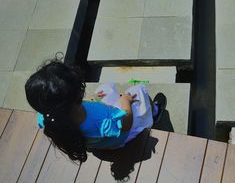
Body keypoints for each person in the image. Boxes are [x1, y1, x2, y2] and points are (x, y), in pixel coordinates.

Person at [25, 58, 166, 163]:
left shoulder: (47, 116)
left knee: (106, 90)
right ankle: (153, 113)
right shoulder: (101, 122)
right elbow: (126, 123)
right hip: (119, 134)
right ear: (78, 97)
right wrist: (125, 102)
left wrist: (92, 100)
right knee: (138, 92)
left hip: (98, 137)